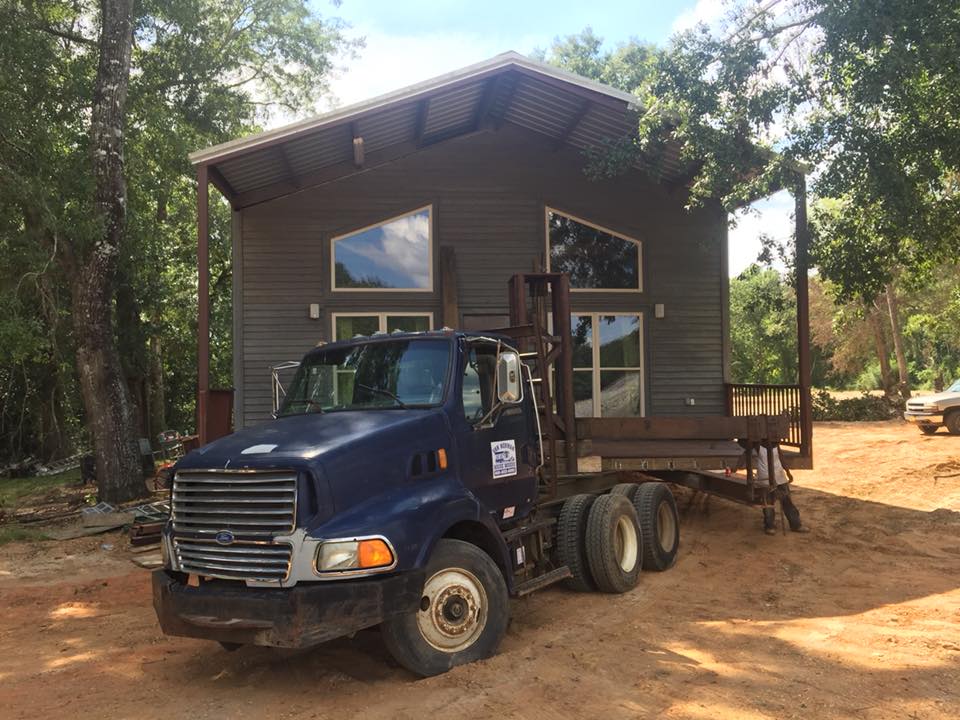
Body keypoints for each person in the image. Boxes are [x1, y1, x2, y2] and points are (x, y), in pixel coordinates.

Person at [737, 440, 810, 535]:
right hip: (765, 477)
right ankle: (770, 526)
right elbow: (746, 453)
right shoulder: (758, 445)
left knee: (787, 500)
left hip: (779, 476)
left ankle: (796, 525)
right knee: (768, 503)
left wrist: (787, 472)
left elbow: (781, 457)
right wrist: (736, 467)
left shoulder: (775, 444)